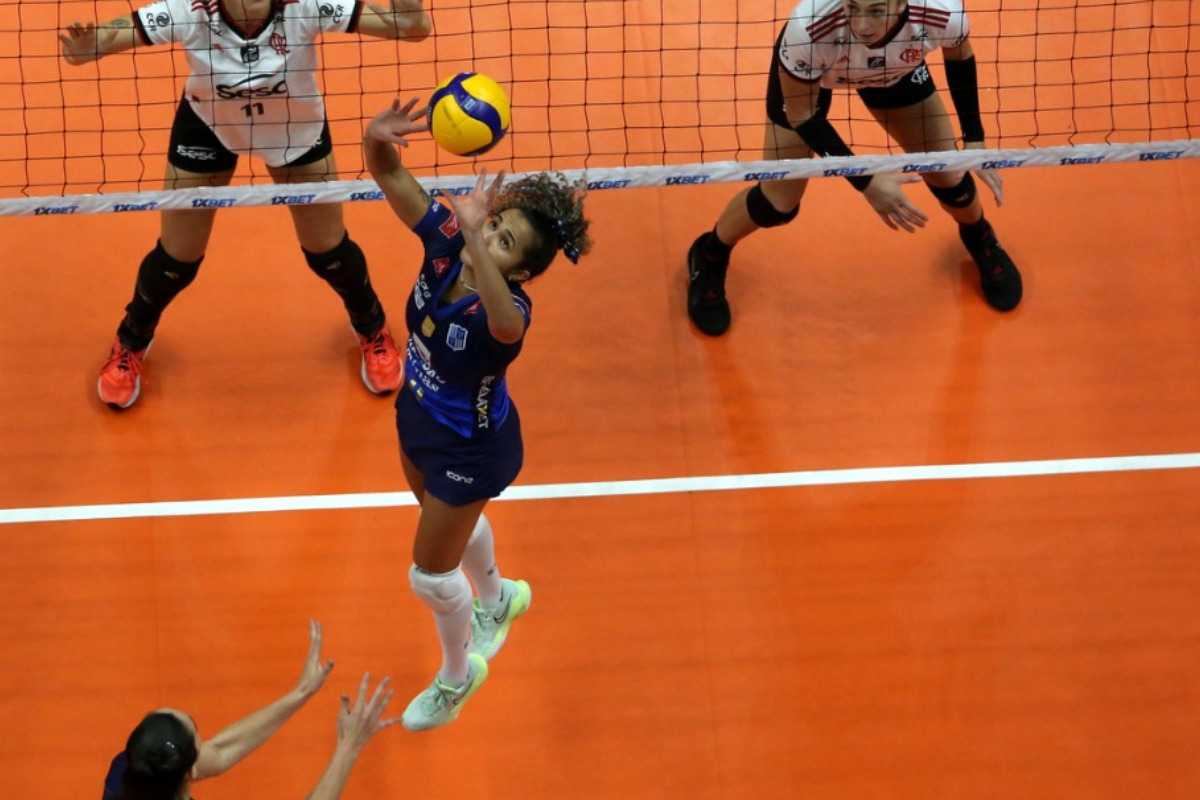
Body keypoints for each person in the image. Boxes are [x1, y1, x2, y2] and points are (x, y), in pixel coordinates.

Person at [58, 0, 433, 409]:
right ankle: (130, 341)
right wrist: (86, 48)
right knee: (175, 260)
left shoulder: (306, 5)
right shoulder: (190, 11)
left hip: (294, 132)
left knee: (329, 253)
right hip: (210, 128)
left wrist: (409, 10)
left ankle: (372, 327)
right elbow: (101, 42)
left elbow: (412, 27)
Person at [362, 97, 592, 731]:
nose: (489, 236)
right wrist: (376, 138)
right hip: (418, 417)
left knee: (431, 576)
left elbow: (504, 322)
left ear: (520, 270)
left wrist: (472, 239)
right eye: (494, 225)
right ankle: (500, 598)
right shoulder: (444, 244)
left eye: (505, 241)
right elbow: (387, 173)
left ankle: (456, 678)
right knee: (452, 533)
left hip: (472, 450)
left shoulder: (508, 311)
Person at [686, 0, 1022, 337]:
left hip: (895, 72)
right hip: (813, 80)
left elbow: (959, 55)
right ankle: (709, 255)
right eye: (853, 7)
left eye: (876, 10)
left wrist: (974, 138)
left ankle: (980, 237)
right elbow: (802, 115)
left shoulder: (940, 11)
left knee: (950, 174)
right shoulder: (809, 28)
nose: (862, 25)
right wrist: (866, 181)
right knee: (777, 202)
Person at [101, 621, 399, 800]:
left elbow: (219, 753)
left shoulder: (129, 771)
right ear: (190, 773)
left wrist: (300, 694)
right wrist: (349, 747)